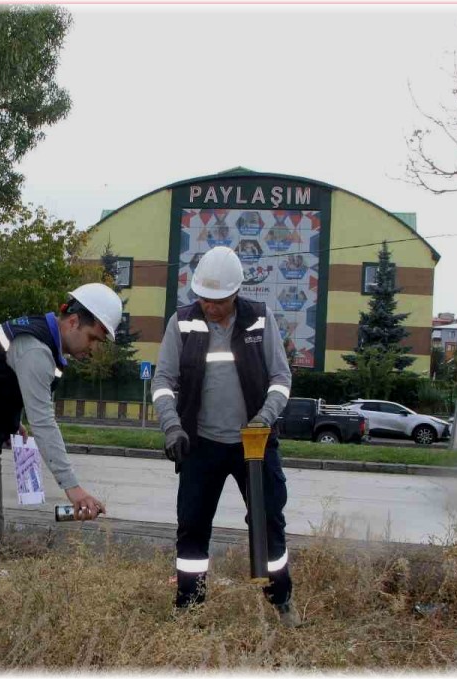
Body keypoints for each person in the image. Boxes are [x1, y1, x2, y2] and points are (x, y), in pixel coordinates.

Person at [0, 283, 124, 595]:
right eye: (93, 338)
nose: (93, 349)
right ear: (73, 322)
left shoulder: (35, 334)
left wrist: (11, 422)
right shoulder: (36, 349)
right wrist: (73, 488)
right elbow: (44, 421)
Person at [150, 246, 300, 626]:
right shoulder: (182, 322)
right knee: (192, 528)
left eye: (217, 300)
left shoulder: (260, 320)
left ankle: (281, 602)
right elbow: (164, 381)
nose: (209, 306)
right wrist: (172, 426)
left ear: (236, 293)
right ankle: (188, 608)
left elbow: (281, 379)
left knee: (268, 525)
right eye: (202, 297)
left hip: (255, 444)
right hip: (200, 445)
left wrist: (265, 418)